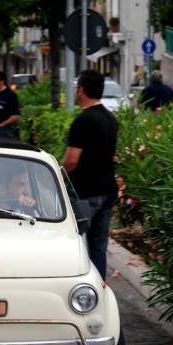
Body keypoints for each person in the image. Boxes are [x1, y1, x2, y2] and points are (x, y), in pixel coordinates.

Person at [60, 69, 118, 281]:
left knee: (68, 246)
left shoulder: (83, 120)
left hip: (85, 195)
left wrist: (57, 177)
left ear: (81, 90)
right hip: (107, 191)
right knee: (98, 249)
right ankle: (99, 293)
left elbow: (72, 160)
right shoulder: (110, 118)